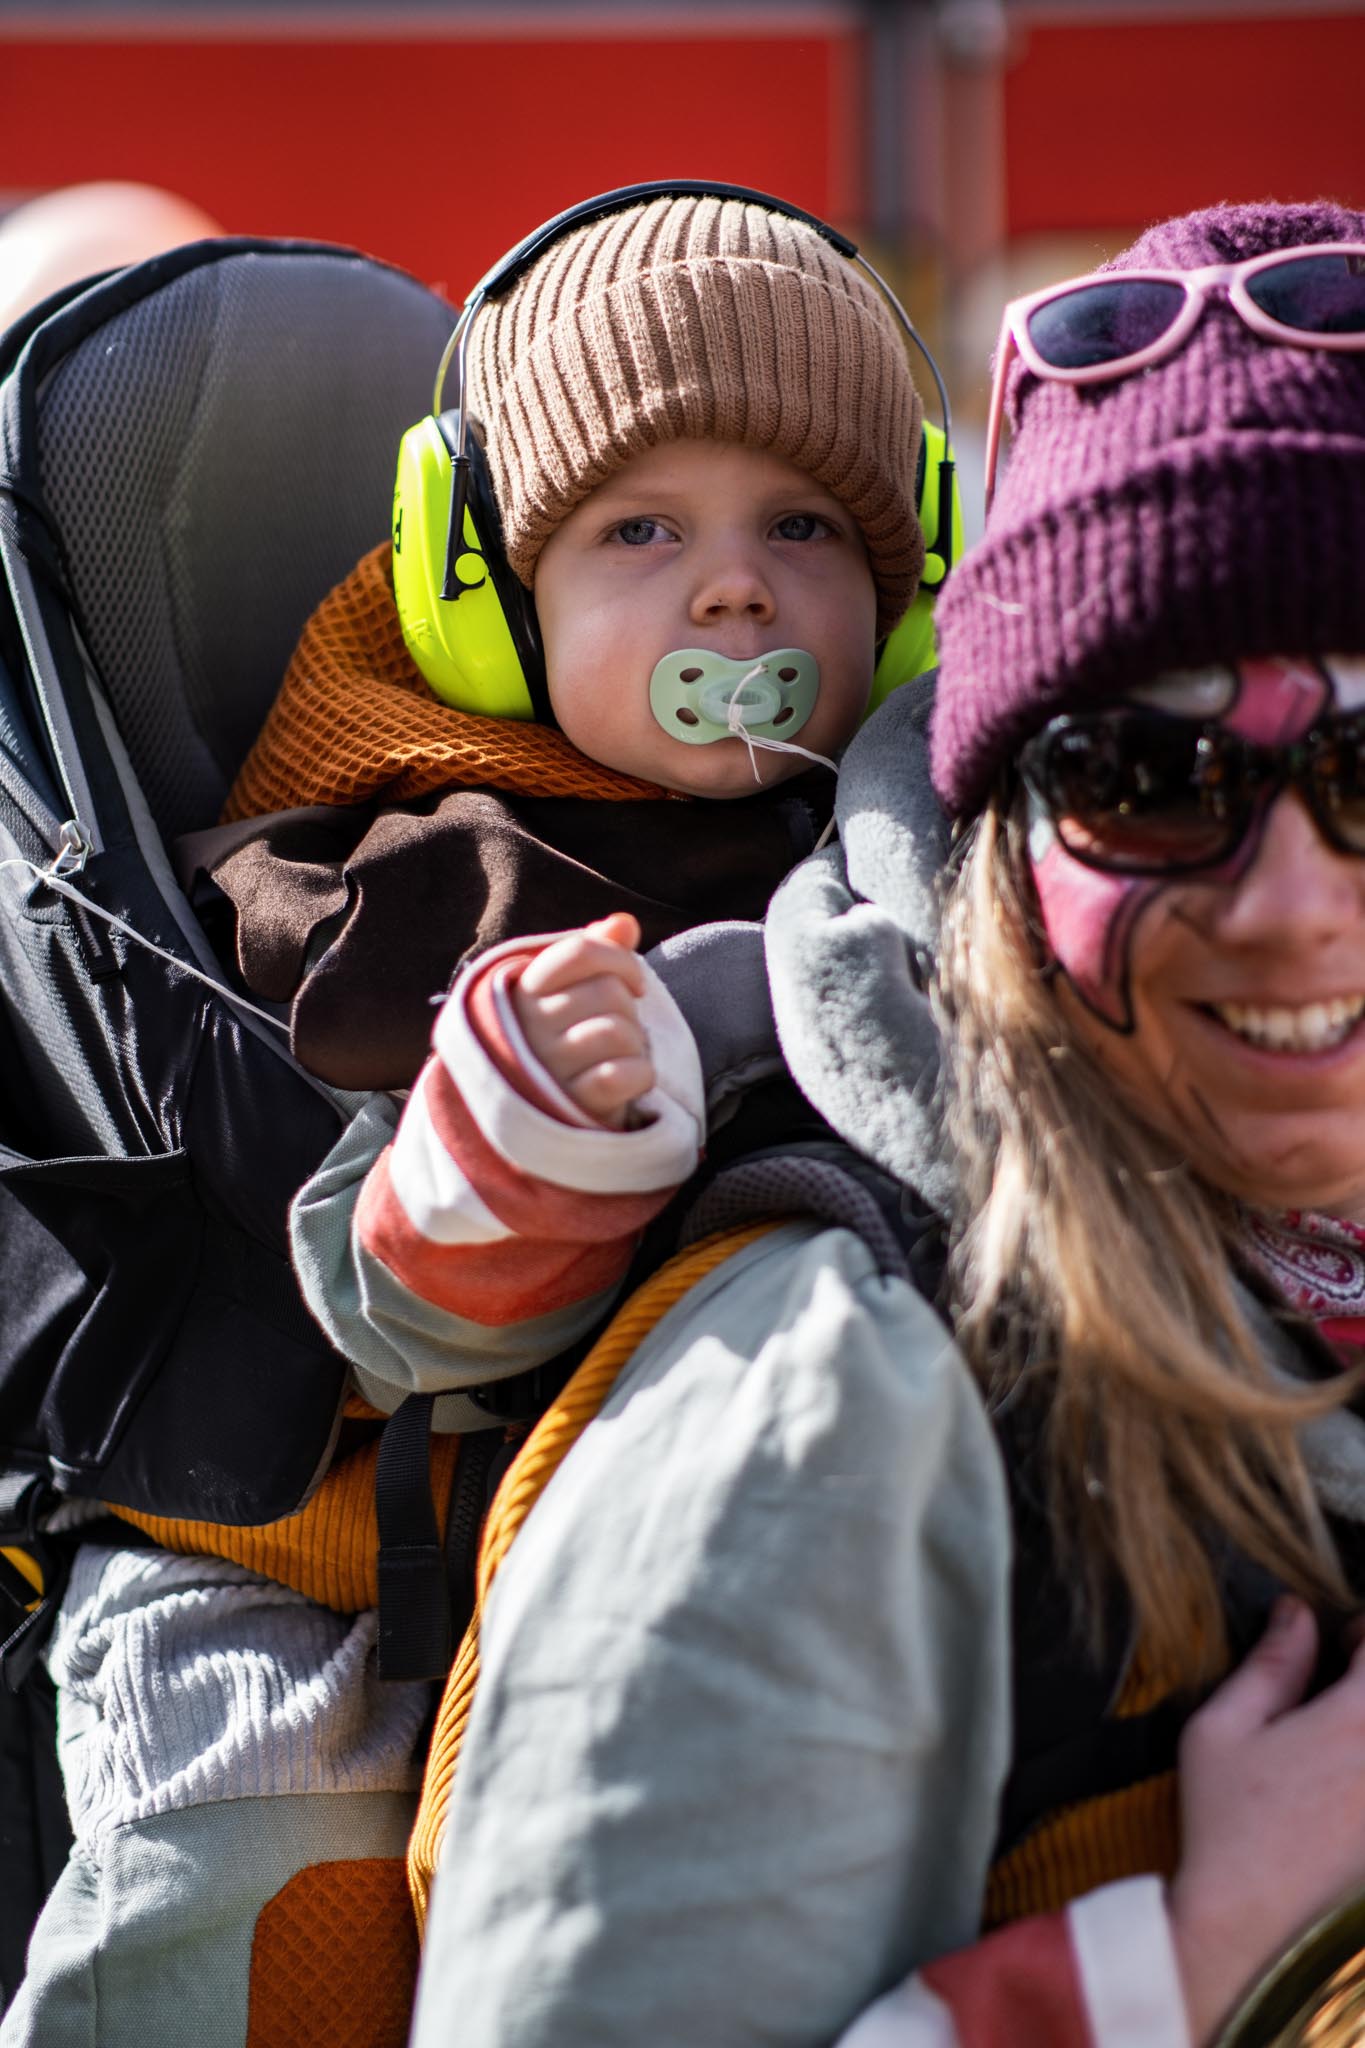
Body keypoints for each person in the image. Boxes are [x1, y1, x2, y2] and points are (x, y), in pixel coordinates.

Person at [336, 198, 1365, 2048]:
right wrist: (1202, 1963)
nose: (1292, 904)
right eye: (1146, 778)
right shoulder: (833, 1401)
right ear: (998, 833)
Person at [1, 190, 931, 2048]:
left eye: (805, 526)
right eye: (640, 529)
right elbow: (366, 1287)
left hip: (729, 1528)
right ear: (482, 597)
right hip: (330, 1546)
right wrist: (524, 1129)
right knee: (246, 1865)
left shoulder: (904, 840)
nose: (732, 590)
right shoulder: (424, 888)